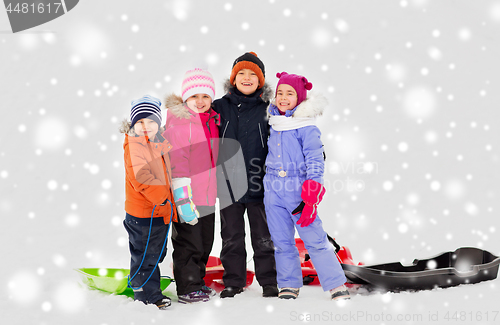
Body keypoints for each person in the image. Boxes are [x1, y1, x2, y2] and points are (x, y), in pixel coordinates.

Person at [263, 72, 350, 300]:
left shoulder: (307, 127)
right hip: (273, 189)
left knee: (314, 239)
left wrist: (311, 193)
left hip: (297, 190)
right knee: (282, 241)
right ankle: (289, 284)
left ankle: (336, 284)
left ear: (299, 98)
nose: (283, 98)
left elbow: (315, 159)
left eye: (289, 94)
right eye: (280, 93)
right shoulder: (273, 123)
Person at [213, 52, 278, 298]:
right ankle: (234, 281)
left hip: (259, 184)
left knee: (263, 236)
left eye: (253, 74)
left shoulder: (268, 109)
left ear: (260, 81)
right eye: (242, 73)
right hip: (228, 185)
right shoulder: (220, 106)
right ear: (233, 78)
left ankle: (269, 281)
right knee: (231, 237)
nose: (247, 78)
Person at [162, 68, 220, 303]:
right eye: (194, 96)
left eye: (205, 96)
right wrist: (182, 198)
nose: (200, 101)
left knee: (205, 241)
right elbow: (177, 162)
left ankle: (197, 281)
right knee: (188, 243)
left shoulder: (211, 120)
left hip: (207, 195)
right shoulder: (180, 123)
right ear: (185, 98)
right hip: (187, 195)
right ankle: (187, 287)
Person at [120, 95, 177, 309]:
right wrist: (162, 199)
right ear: (134, 124)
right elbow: (142, 178)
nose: (147, 126)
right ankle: (145, 292)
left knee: (156, 251)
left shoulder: (157, 143)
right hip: (144, 213)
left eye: (152, 121)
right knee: (145, 253)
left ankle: (146, 283)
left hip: (159, 211)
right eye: (141, 122)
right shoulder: (134, 146)